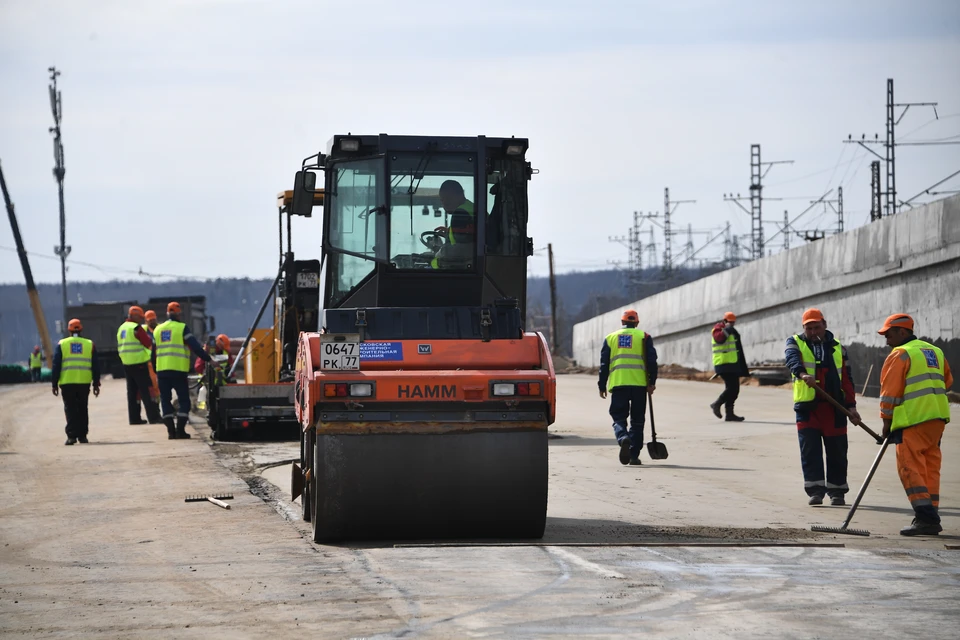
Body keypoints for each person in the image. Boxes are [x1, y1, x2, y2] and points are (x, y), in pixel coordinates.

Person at [877, 313, 953, 536]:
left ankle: (925, 518)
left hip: (912, 421)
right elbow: (947, 381)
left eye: (889, 334)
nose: (887, 340)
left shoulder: (900, 354)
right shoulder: (935, 351)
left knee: (909, 468)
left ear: (903, 332)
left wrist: (886, 424)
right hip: (936, 420)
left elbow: (889, 394)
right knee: (930, 468)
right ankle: (931, 514)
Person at [784, 308, 862, 506]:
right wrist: (802, 374)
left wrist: (851, 406)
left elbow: (847, 379)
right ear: (803, 328)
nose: (813, 331)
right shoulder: (795, 342)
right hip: (808, 409)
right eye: (808, 328)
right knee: (810, 451)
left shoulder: (838, 348)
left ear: (824, 324)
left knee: (837, 451)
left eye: (816, 327)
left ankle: (837, 492)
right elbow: (792, 361)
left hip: (834, 408)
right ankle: (815, 491)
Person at [598, 309, 658, 466]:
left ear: (622, 322)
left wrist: (602, 385)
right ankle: (633, 455)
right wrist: (652, 382)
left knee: (618, 416)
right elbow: (652, 361)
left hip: (618, 385)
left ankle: (622, 436)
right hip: (639, 386)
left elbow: (604, 364)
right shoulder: (644, 337)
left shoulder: (610, 338)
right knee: (637, 421)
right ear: (636, 323)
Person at [155, 301, 212, 439]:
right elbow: (195, 347)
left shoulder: (158, 329)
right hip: (178, 370)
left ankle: (170, 432)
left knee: (165, 400)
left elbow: (153, 353)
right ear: (179, 314)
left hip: (162, 371)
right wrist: (208, 359)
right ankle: (180, 430)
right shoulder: (182, 328)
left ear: (167, 313)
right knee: (184, 401)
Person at [51, 318, 100, 445]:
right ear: (81, 329)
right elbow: (96, 365)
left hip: (67, 382)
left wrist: (54, 383)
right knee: (83, 408)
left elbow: (56, 365)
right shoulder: (89, 344)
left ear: (69, 330)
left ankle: (71, 436)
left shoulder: (62, 344)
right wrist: (96, 383)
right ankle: (83, 436)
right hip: (84, 382)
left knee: (70, 408)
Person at [117, 305, 162, 425]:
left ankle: (134, 418)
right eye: (140, 317)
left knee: (132, 392)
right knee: (147, 391)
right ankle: (154, 417)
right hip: (139, 363)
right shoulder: (136, 328)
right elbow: (147, 343)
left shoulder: (122, 328)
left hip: (127, 364)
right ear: (135, 316)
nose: (142, 320)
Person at [709, 311, 749, 421]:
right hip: (723, 364)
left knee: (734, 389)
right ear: (725, 320)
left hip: (732, 364)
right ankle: (717, 404)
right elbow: (719, 339)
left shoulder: (731, 330)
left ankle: (729, 413)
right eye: (730, 322)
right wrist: (727, 329)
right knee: (732, 388)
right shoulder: (718, 328)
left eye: (733, 322)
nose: (732, 324)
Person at [431, 179, 475, 269]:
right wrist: (450, 232)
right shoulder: (470, 207)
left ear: (460, 195)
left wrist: (436, 258)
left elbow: (460, 251)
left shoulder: (461, 213)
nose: (445, 203)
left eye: (449, 198)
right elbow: (469, 237)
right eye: (442, 200)